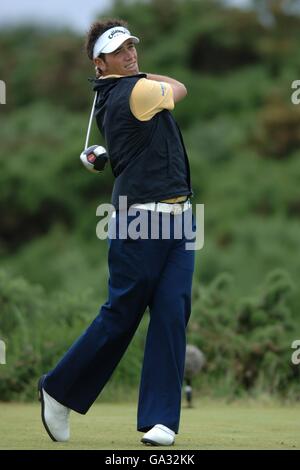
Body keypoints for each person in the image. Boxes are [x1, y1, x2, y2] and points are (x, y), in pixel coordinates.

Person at [38, 18, 195, 447]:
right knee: (121, 314)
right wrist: (140, 76)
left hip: (180, 218)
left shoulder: (110, 95)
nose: (131, 53)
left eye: (132, 46)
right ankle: (58, 389)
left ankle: (160, 420)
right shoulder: (140, 89)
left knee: (171, 313)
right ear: (101, 63)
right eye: (119, 50)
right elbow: (179, 87)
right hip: (141, 219)